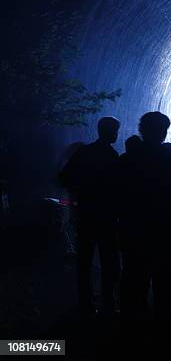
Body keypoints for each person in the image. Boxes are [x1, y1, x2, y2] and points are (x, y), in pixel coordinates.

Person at [116, 112, 171, 351]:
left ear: (141, 130)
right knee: (165, 292)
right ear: (164, 132)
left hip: (135, 236)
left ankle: (131, 340)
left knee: (133, 289)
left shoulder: (126, 162)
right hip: (165, 239)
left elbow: (114, 197)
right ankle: (163, 341)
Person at [59, 117, 121, 319]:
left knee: (84, 261)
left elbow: (63, 178)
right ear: (110, 132)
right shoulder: (113, 156)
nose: (116, 134)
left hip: (86, 215)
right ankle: (108, 303)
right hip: (107, 217)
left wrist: (78, 193)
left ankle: (85, 304)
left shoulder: (84, 152)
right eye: (115, 130)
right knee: (108, 261)